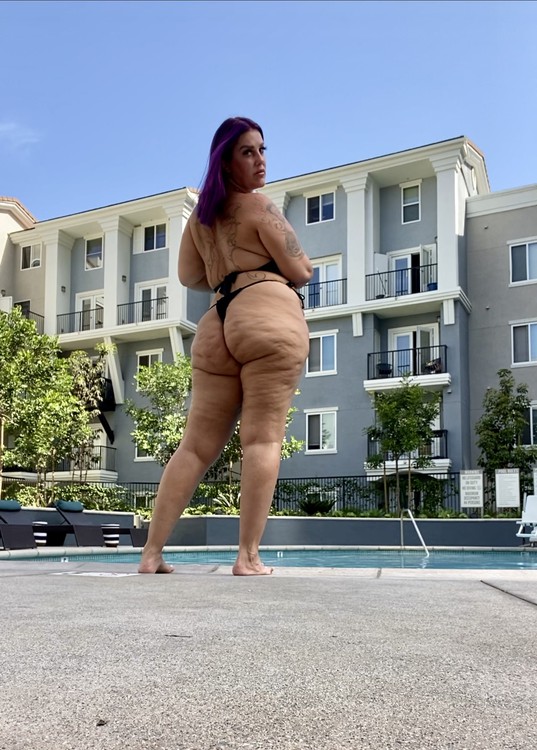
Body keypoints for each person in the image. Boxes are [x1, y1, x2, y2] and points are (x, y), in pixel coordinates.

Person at [138, 117, 313, 575]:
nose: (260, 160)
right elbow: (302, 270)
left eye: (262, 150)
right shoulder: (259, 206)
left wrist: (228, 272)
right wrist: (260, 267)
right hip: (266, 315)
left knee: (194, 447)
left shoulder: (201, 218)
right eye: (248, 152)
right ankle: (247, 557)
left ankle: (151, 553)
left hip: (216, 323)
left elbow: (189, 275)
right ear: (227, 161)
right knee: (262, 438)